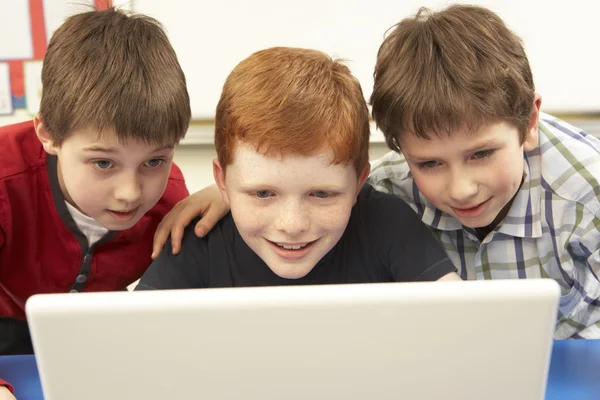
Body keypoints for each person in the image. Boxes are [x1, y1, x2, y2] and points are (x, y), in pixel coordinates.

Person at [152, 4, 600, 339]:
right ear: (401, 154)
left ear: (529, 121)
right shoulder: (385, 186)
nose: (462, 187)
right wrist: (231, 193)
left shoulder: (588, 200)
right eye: (429, 163)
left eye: (482, 154)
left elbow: (462, 329)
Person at [136, 47, 460, 293]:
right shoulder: (198, 240)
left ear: (360, 181)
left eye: (322, 194)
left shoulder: (389, 224)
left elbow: (463, 325)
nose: (292, 226)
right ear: (222, 181)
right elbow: (129, 342)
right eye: (263, 193)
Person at [0, 5, 191, 395]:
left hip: (93, 345)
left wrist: (233, 201)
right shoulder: (5, 179)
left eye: (154, 160)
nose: (131, 193)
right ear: (48, 133)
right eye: (103, 162)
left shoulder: (171, 199)